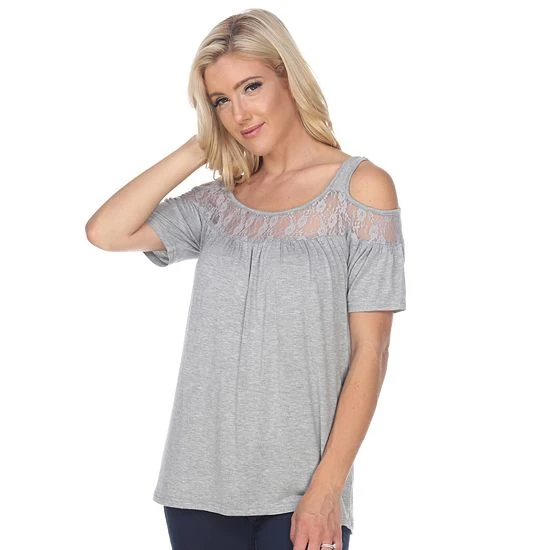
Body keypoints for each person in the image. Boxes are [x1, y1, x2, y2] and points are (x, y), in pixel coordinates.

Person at [85, 8, 406, 550]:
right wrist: (201, 145)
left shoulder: (361, 189)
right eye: (220, 100)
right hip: (196, 487)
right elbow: (106, 231)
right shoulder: (218, 203)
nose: (239, 113)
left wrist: (327, 489)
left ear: (287, 76)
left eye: (250, 87)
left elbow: (370, 353)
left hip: (303, 493)